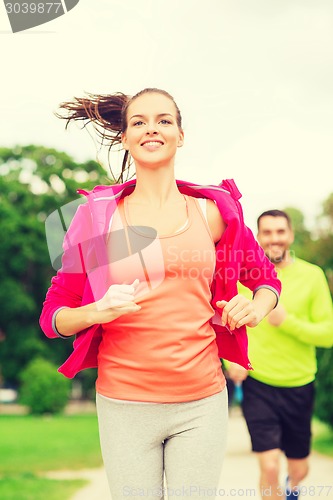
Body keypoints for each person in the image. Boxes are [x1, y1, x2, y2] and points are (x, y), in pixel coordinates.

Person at [39, 88, 281, 500]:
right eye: (139, 122)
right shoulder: (99, 217)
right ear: (125, 137)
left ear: (180, 135)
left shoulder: (212, 213)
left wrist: (256, 307)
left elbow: (266, 279)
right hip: (124, 402)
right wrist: (94, 312)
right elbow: (53, 316)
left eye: (164, 120)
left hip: (200, 401)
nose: (152, 128)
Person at [226, 209, 333, 500]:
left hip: (299, 383)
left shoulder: (312, 276)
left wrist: (286, 321)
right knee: (269, 464)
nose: (274, 239)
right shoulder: (241, 276)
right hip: (258, 382)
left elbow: (328, 333)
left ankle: (292, 488)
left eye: (280, 232)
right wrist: (231, 361)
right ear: (258, 237)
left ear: (291, 235)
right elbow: (224, 323)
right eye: (267, 232)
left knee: (298, 467)